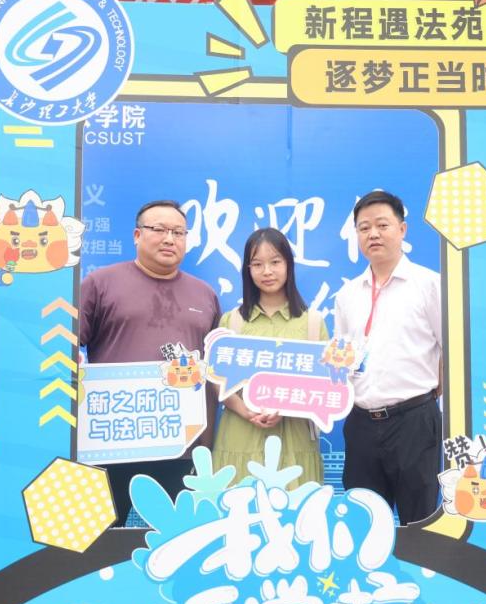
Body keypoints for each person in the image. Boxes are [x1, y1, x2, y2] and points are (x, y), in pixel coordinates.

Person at [79, 199, 220, 525]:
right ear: (137, 235)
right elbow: (64, 347)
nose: (170, 239)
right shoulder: (100, 284)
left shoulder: (205, 295)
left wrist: (206, 445)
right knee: (95, 541)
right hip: (109, 443)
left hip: (180, 447)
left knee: (178, 540)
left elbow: (216, 371)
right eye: (159, 229)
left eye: (179, 232)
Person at [334, 190, 443, 525]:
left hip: (414, 421)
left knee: (420, 521)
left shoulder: (430, 285)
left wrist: (432, 392)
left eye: (382, 225)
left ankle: (419, 563)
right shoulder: (347, 294)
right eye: (364, 228)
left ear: (402, 229)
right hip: (361, 423)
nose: (373, 234)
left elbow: (452, 348)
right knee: (363, 522)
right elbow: (342, 357)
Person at [213, 228, 326, 487]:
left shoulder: (312, 323)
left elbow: (324, 383)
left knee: (296, 509)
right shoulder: (232, 321)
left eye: (275, 262)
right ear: (247, 269)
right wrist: (246, 410)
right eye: (257, 264)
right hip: (241, 437)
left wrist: (286, 406)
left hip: (295, 440)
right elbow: (217, 380)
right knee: (240, 508)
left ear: (288, 265)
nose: (267, 271)